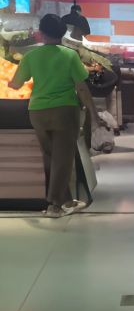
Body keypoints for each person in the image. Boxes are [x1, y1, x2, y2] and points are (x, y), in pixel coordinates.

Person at [8, 13, 91, 216]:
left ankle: (66, 200)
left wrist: (10, 83)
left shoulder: (31, 56)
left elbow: (16, 84)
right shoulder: (70, 55)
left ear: (41, 33)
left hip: (37, 112)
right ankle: (54, 205)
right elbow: (81, 87)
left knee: (51, 156)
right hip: (64, 111)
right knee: (63, 158)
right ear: (62, 32)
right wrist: (93, 113)